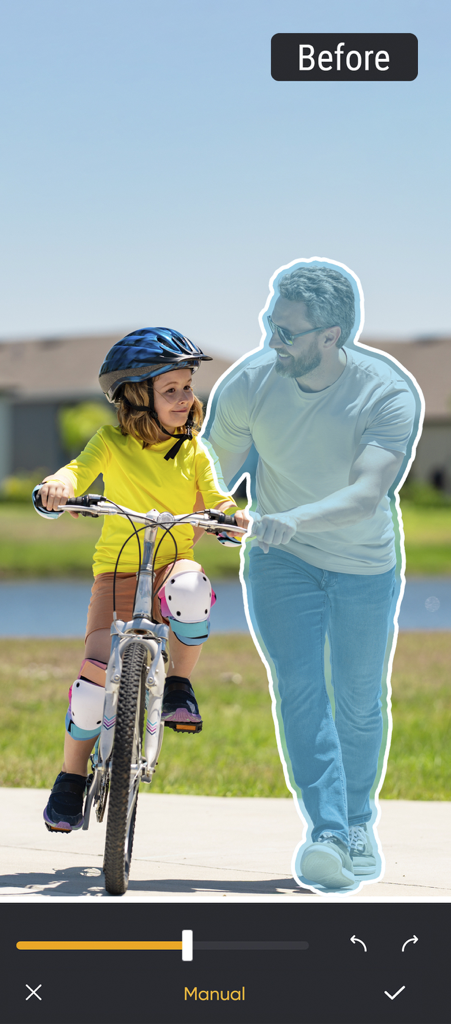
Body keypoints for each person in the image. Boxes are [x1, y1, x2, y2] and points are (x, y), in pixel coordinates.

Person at [208, 264, 419, 891]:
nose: (273, 340)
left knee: (356, 699)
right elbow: (210, 475)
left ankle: (358, 824)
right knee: (301, 689)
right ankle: (326, 834)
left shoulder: (386, 393)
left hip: (362, 563)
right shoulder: (249, 383)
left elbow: (366, 493)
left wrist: (290, 518)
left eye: (287, 332)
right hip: (281, 562)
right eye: (270, 324)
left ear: (331, 336)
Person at [38, 327, 248, 834]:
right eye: (170, 389)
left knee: (193, 590)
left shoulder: (194, 450)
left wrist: (230, 516)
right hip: (118, 573)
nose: (184, 398)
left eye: (187, 386)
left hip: (173, 564)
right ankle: (70, 780)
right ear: (138, 396)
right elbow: (76, 471)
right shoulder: (111, 442)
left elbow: (218, 498)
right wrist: (58, 487)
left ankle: (178, 683)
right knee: (91, 686)